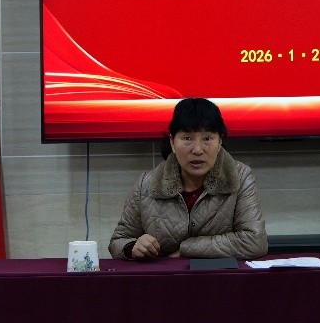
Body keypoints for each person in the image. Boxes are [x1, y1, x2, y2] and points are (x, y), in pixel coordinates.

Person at [109, 97, 268, 260]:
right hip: (165, 275)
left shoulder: (240, 177)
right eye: (187, 138)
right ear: (172, 142)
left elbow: (254, 242)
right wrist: (133, 247)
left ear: (220, 141)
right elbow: (118, 241)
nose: (197, 150)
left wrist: (187, 249)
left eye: (207, 139)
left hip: (218, 274)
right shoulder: (146, 183)